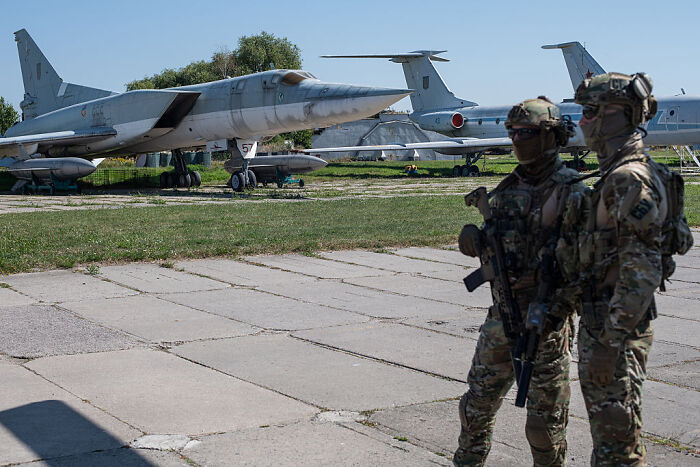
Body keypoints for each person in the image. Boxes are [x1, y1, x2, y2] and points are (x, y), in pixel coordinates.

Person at [454, 97, 586, 466]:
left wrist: (555, 307)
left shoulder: (573, 193)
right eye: (513, 133)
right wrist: (473, 238)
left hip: (546, 327)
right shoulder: (508, 189)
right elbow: (496, 242)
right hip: (501, 320)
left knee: (544, 427)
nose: (517, 140)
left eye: (526, 133)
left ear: (552, 136)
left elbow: (589, 269)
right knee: (475, 409)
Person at [573, 72, 693, 466]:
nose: (582, 122)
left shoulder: (628, 179)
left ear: (618, 116)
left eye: (590, 112)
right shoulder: (628, 171)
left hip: (616, 332)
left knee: (618, 451)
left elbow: (641, 272)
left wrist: (609, 346)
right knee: (610, 444)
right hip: (608, 325)